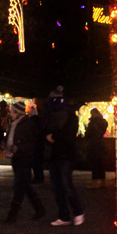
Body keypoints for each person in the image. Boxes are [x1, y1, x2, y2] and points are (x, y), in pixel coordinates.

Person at [44, 87, 83, 226]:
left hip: (66, 154)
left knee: (67, 184)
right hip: (55, 154)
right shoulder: (51, 116)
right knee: (56, 186)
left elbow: (68, 134)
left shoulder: (71, 116)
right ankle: (64, 215)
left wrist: (53, 136)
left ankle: (78, 211)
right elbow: (45, 131)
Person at [3, 101, 46, 223]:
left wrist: (19, 148)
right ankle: (39, 208)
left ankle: (12, 214)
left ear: (18, 112)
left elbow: (33, 143)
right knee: (25, 186)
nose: (10, 113)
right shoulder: (14, 124)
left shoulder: (27, 124)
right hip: (17, 158)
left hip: (24, 159)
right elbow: (10, 138)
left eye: (11, 111)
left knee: (19, 186)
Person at [84, 107, 109, 187]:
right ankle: (103, 182)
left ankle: (94, 182)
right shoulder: (104, 122)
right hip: (101, 143)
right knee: (100, 164)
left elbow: (88, 134)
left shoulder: (92, 123)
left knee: (94, 164)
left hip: (93, 144)